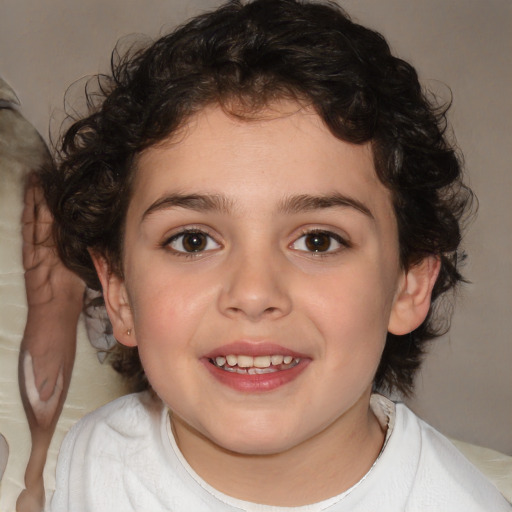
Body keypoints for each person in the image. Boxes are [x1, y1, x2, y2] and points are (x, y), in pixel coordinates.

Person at [41, 0, 511, 510]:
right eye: (193, 241)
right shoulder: (63, 470)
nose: (254, 293)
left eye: (318, 241)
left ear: (409, 283)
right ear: (119, 292)